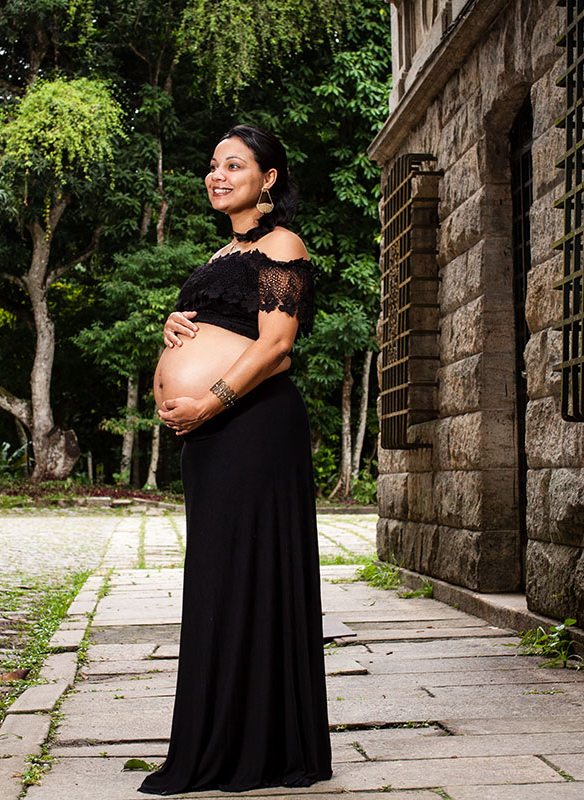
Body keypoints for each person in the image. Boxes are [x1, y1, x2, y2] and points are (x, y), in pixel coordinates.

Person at [140, 124, 332, 795]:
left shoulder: (282, 245)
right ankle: (220, 739)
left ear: (268, 178)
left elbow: (276, 347)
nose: (216, 175)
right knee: (220, 582)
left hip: (252, 429)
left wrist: (210, 401)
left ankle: (260, 747)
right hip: (212, 438)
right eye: (212, 165)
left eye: (234, 164)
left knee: (250, 575)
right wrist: (173, 326)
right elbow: (215, 326)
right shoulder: (222, 251)